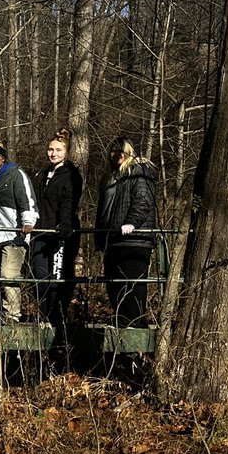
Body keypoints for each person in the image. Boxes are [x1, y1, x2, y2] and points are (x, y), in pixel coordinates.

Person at [95, 136, 157, 327]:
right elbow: (104, 210)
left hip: (135, 240)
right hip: (114, 241)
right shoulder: (111, 178)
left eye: (122, 150)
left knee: (132, 289)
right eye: (113, 150)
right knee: (115, 288)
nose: (117, 154)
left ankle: (134, 330)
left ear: (129, 151)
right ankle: (122, 328)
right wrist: (100, 238)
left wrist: (131, 222)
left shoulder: (138, 172)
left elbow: (143, 200)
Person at [0, 140, 38, 324]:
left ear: (3, 158)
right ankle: (1, 313)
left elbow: (27, 199)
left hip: (14, 235)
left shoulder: (15, 174)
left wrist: (28, 221)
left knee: (8, 274)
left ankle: (13, 314)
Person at [32, 129, 83, 326]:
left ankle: (56, 317)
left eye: (58, 150)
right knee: (39, 275)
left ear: (67, 152)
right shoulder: (44, 173)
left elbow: (69, 202)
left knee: (58, 276)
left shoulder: (71, 175)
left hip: (61, 233)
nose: (53, 154)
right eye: (50, 149)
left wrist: (65, 224)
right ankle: (44, 314)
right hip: (41, 231)